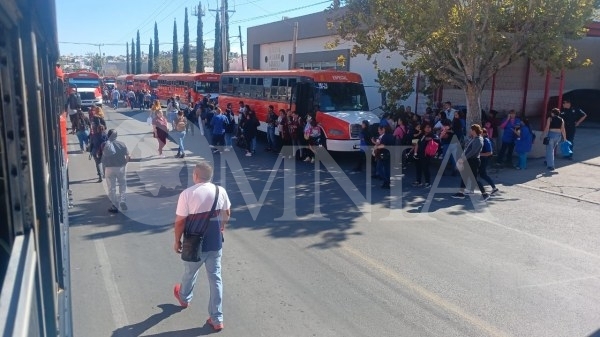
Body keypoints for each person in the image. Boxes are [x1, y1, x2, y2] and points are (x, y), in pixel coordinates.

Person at [173, 161, 231, 332]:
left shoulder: (187, 194)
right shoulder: (220, 191)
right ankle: (217, 318)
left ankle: (184, 297)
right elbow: (227, 213)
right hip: (215, 243)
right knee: (216, 278)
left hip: (194, 244)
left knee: (190, 272)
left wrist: (177, 241)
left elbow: (180, 222)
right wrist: (221, 228)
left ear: (196, 176)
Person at [452, 124, 489, 201]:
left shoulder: (478, 139)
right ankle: (461, 193)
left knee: (474, 179)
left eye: (471, 130)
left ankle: (484, 194)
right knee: (464, 176)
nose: (469, 131)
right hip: (470, 160)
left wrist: (463, 159)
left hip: (473, 161)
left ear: (474, 131)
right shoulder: (475, 138)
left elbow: (472, 151)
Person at [101, 129, 130, 213]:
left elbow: (103, 159)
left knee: (111, 188)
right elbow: (128, 156)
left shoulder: (105, 145)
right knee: (122, 184)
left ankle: (114, 205)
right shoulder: (122, 144)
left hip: (109, 168)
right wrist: (125, 163)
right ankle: (122, 201)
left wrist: (103, 170)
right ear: (116, 136)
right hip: (120, 167)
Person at [478, 129, 499, 194]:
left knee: (481, 174)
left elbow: (489, 153)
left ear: (484, 133)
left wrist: (479, 154)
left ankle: (493, 188)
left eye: (480, 133)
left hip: (484, 160)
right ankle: (494, 187)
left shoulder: (486, 140)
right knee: (482, 175)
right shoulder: (482, 140)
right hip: (481, 159)